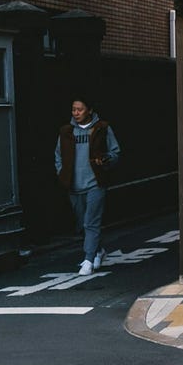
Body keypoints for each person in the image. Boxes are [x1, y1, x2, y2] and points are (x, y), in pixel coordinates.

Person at [55, 95, 120, 276]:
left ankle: (88, 259)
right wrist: (61, 172)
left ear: (89, 110)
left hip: (95, 183)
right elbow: (58, 155)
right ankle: (98, 250)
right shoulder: (66, 131)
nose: (76, 113)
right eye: (74, 109)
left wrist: (107, 160)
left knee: (91, 222)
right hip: (73, 184)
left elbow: (115, 152)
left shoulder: (102, 128)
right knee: (83, 224)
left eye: (80, 109)